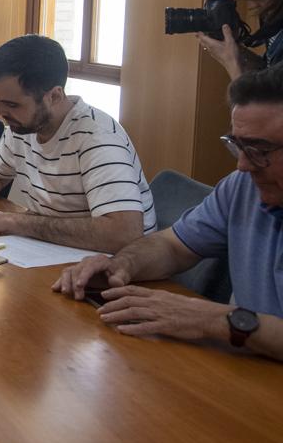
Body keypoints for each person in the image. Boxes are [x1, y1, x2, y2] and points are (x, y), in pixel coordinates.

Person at [52, 65, 283, 361]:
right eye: (238, 146)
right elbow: (172, 246)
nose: (242, 165)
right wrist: (122, 266)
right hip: (247, 370)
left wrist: (218, 320)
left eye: (259, 150)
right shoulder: (241, 187)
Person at [0, 34, 154, 253]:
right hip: (54, 251)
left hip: (114, 267)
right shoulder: (23, 127)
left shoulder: (97, 138)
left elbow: (123, 233)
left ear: (54, 96)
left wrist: (11, 221)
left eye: (12, 104)